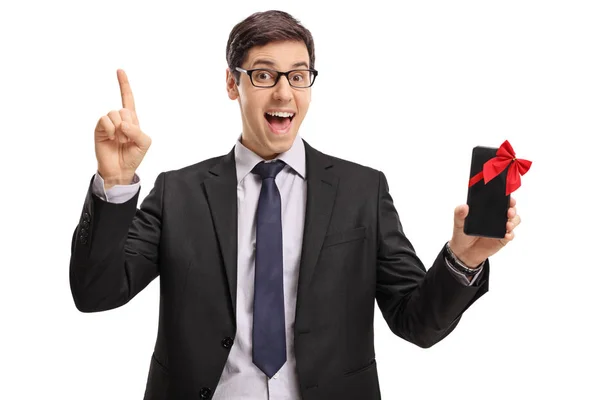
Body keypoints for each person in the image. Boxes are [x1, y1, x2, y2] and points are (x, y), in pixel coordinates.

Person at [69, 10, 521, 400]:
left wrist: (463, 260)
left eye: (298, 75)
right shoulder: (179, 192)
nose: (284, 93)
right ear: (233, 83)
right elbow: (95, 294)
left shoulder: (362, 190)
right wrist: (115, 182)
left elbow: (417, 323)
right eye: (264, 75)